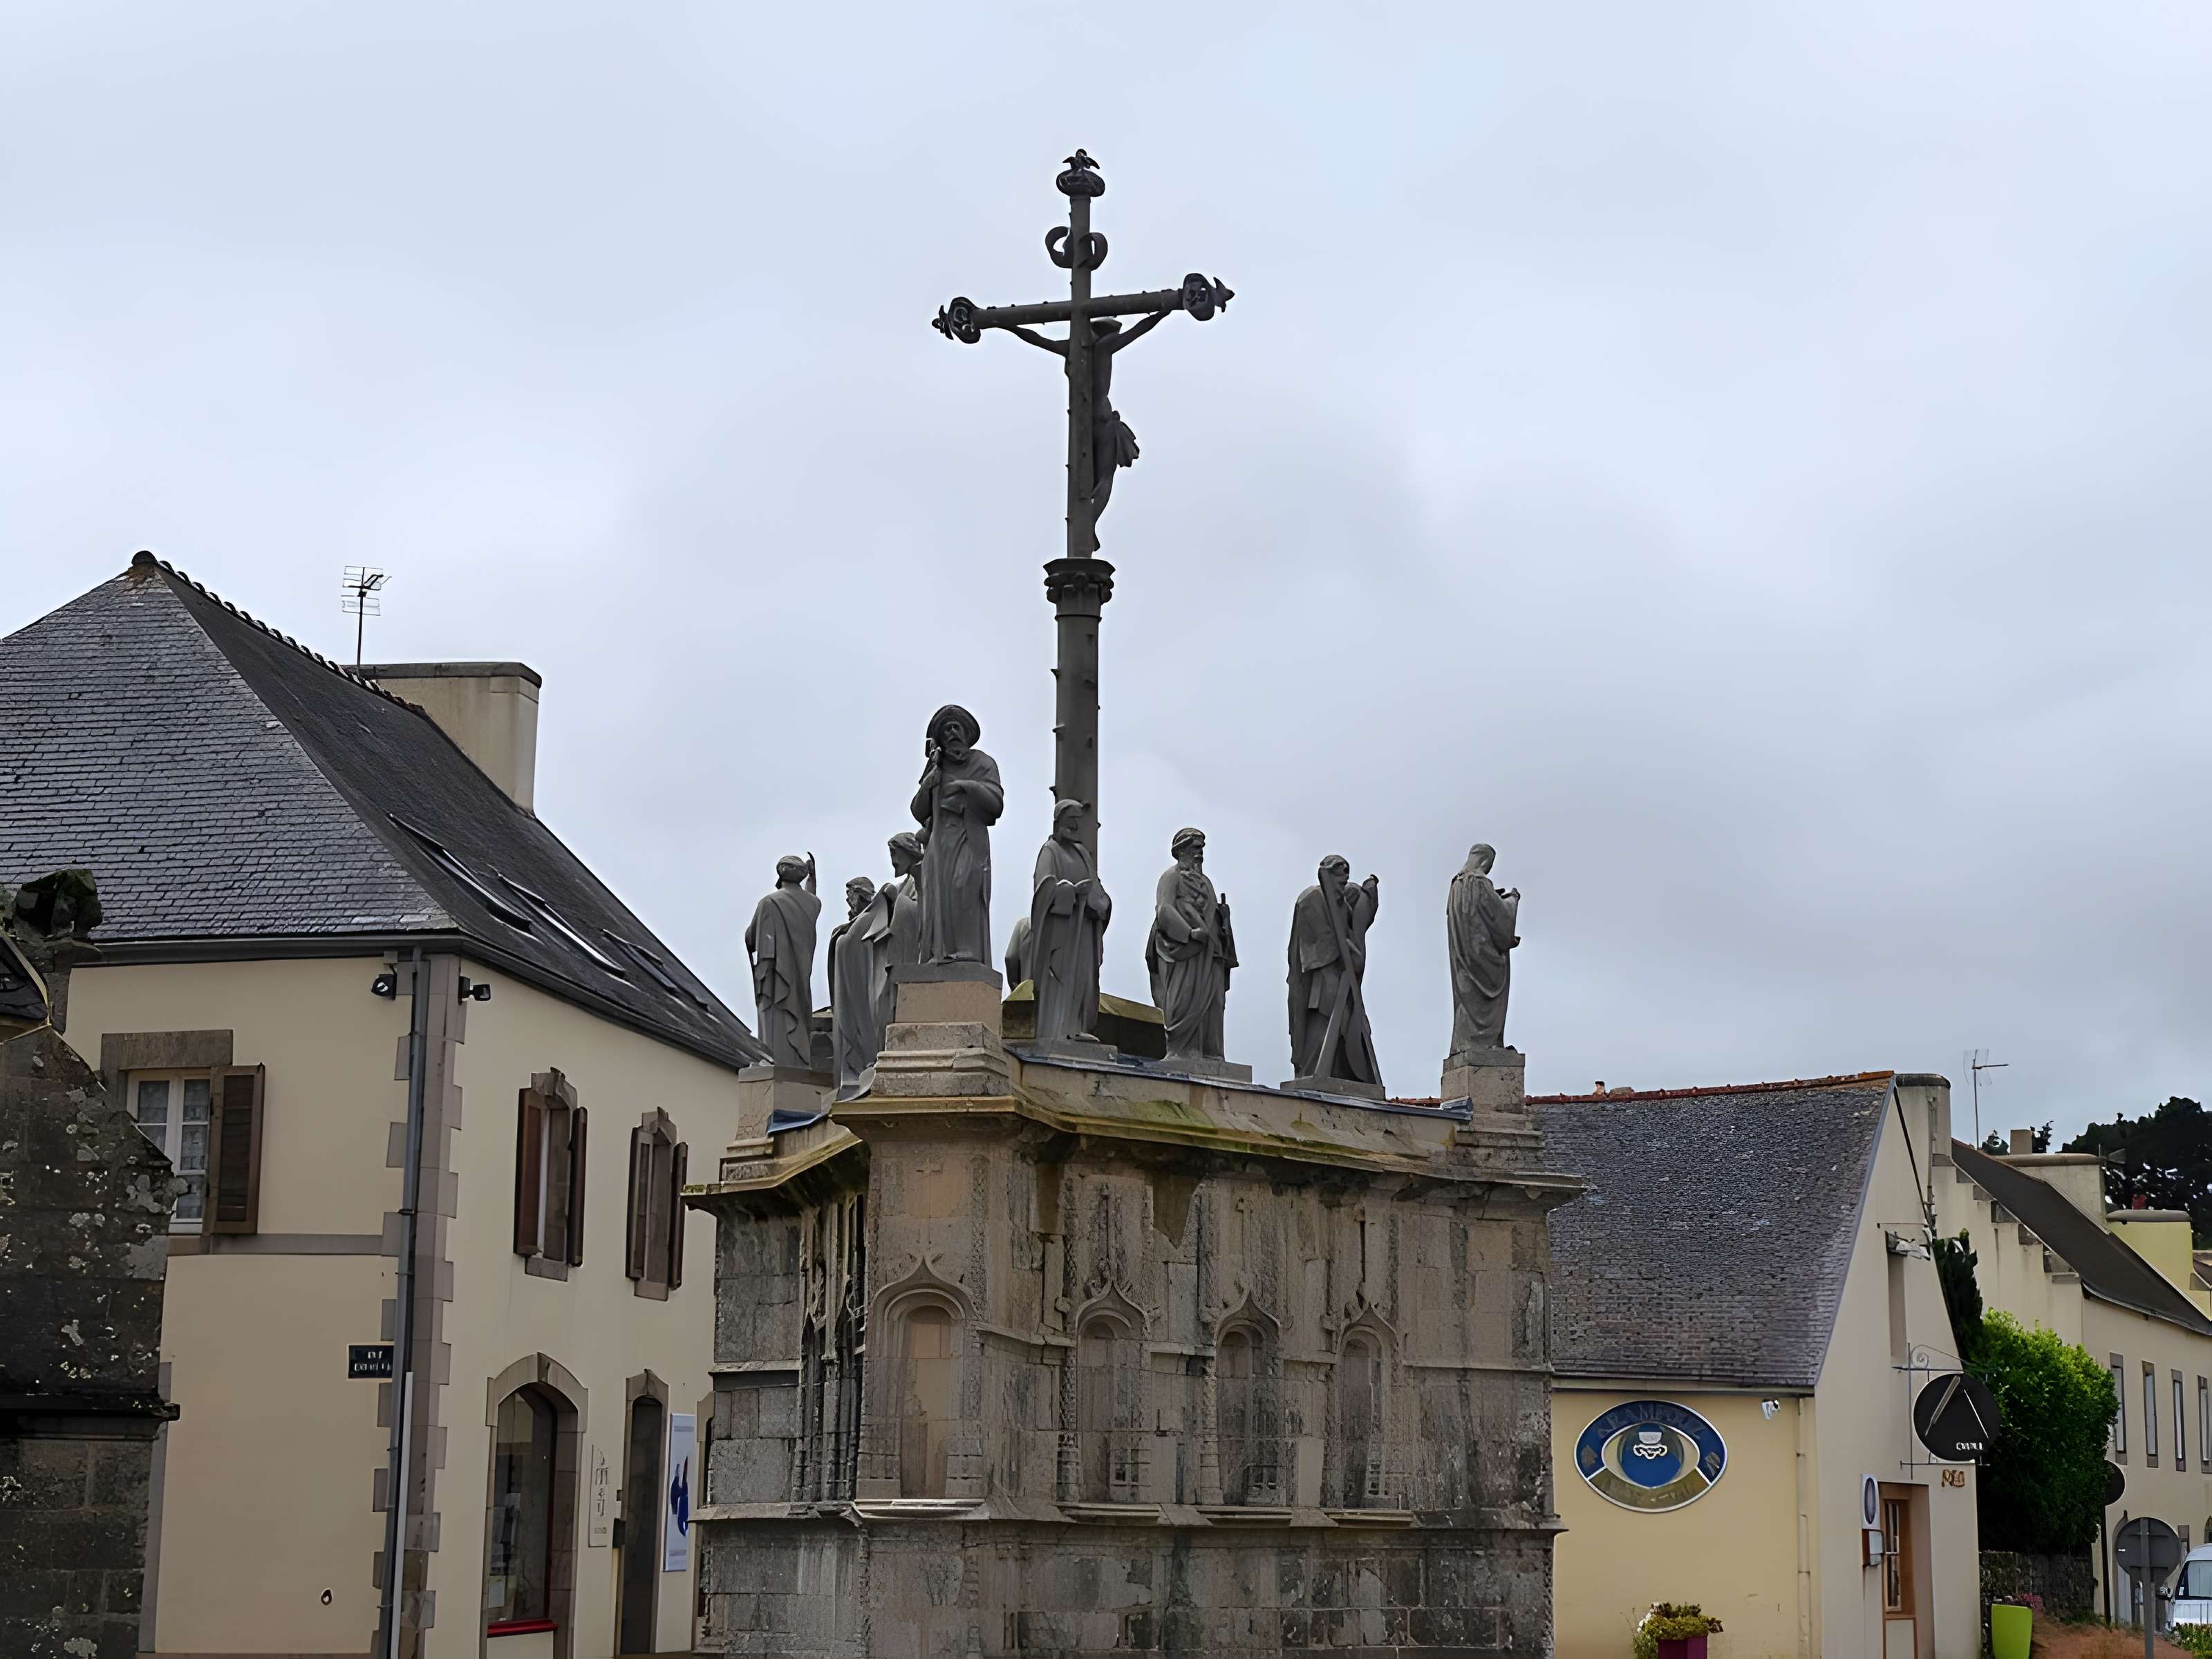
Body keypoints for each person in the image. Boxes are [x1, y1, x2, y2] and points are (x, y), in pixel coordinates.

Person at [909, 705, 1004, 966]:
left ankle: (966, 949)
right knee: (938, 895)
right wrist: (928, 785)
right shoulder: (935, 766)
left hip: (968, 837)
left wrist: (965, 786)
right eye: (946, 729)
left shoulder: (982, 763)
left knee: (965, 888)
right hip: (939, 842)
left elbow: (996, 804)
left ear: (965, 731)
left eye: (956, 727)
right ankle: (938, 951)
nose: (952, 733)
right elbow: (919, 811)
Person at [1286, 856, 1381, 1087]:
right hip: (1321, 980)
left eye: (1347, 874)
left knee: (1345, 1032)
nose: (1344, 879)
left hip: (1343, 982)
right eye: (1339, 873)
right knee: (1321, 1030)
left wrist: (1369, 896)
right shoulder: (1312, 899)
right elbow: (1320, 944)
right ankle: (1311, 1076)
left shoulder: (1341, 901)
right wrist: (1348, 949)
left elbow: (1359, 920)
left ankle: (1342, 1077)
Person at [1145, 827, 1235, 1061]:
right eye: (1196, 848)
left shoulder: (1206, 882)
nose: (1200, 853)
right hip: (1185, 952)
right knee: (1185, 1000)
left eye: (1202, 848)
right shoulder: (1171, 877)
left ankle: (1212, 1052)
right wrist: (1189, 933)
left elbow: (1211, 913)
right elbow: (1164, 910)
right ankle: (1184, 1052)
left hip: (1212, 952)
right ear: (1181, 850)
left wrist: (1222, 918)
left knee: (1215, 1003)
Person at [1029, 799, 1111, 1044]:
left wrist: (1100, 902)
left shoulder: (1083, 854)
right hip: (1061, 932)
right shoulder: (1050, 851)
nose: (1074, 825)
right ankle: (1058, 1029)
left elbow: (1099, 890)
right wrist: (1070, 893)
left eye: (1077, 820)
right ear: (1059, 821)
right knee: (1061, 977)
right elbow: (1044, 889)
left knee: (1084, 978)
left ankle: (1079, 1026)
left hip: (1084, 930)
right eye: (1071, 819)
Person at [745, 854, 821, 1069]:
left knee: (774, 1015)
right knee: (798, 1014)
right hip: (800, 975)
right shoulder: (813, 904)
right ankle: (798, 1061)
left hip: (775, 976)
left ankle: (772, 1059)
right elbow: (810, 899)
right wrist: (812, 883)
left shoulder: (769, 903)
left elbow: (752, 937)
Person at [1445, 844, 1520, 1054]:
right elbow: (1499, 920)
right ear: (1486, 861)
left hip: (1462, 953)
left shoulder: (1457, 885)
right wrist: (1512, 900)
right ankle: (1486, 1044)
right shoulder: (1479, 882)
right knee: (1485, 999)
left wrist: (1493, 897)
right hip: (1483, 955)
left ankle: (1465, 1043)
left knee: (1466, 999)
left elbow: (1474, 912)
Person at [857, 832, 924, 1029]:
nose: (893, 860)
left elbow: (926, 915)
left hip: (910, 956)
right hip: (892, 954)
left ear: (908, 852)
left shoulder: (920, 879)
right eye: (891, 854)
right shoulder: (904, 883)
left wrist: (898, 900)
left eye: (896, 854)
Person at [827, 876, 880, 1094]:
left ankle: (860, 1065)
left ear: (860, 895)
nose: (849, 903)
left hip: (859, 989)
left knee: (857, 1030)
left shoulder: (869, 918)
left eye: (850, 897)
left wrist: (842, 937)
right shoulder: (862, 920)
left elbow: (851, 945)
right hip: (849, 989)